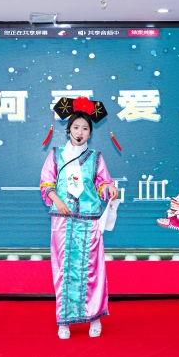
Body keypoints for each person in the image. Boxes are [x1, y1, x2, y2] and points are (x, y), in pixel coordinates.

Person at [40, 97, 119, 339]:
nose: (80, 132)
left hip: (89, 219)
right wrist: (58, 201)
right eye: (76, 127)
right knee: (64, 270)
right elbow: (46, 184)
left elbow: (102, 183)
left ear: (90, 133)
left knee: (92, 269)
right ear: (68, 130)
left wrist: (109, 189)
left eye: (85, 128)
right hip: (62, 219)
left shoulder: (96, 157)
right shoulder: (56, 155)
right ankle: (64, 320)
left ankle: (95, 317)